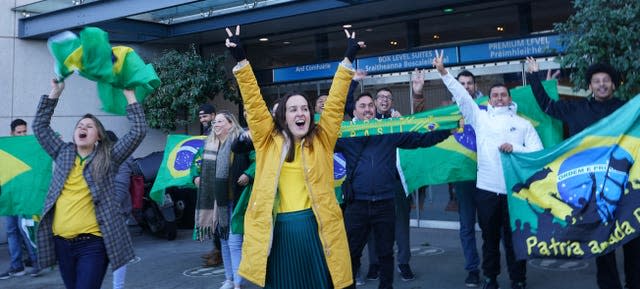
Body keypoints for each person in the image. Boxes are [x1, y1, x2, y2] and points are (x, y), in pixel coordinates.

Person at [225, 25, 364, 289]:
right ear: (283, 116)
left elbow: (334, 104)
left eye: (304, 108)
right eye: (292, 109)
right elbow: (254, 105)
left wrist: (347, 59)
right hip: (278, 234)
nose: (300, 113)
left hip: (316, 230)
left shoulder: (322, 139)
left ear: (310, 114)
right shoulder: (268, 141)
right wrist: (242, 61)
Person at [526, 57, 639, 289]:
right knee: (602, 244)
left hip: (626, 186)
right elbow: (547, 106)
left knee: (634, 241)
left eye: (606, 81)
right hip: (594, 191)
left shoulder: (627, 110)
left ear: (614, 85)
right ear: (590, 86)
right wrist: (534, 77)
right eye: (596, 81)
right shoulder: (578, 109)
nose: (601, 85)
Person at [434, 51, 543, 289]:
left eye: (503, 95)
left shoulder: (522, 123)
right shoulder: (480, 117)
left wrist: (514, 148)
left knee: (514, 239)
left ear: (509, 97)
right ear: (490, 99)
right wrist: (444, 73)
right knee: (490, 239)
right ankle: (490, 278)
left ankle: (518, 279)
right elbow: (462, 96)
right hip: (486, 190)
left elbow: (537, 152)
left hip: (514, 192)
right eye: (495, 95)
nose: (499, 98)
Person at [32, 80, 146, 289]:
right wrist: (54, 93)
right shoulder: (63, 152)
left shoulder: (109, 157)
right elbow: (39, 126)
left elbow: (138, 131)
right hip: (62, 242)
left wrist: (129, 95)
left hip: (93, 243)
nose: (83, 128)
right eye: (80, 126)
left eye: (89, 126)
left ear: (98, 136)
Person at [339, 92, 451, 289]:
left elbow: (419, 139)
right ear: (354, 111)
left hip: (384, 203)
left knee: (385, 253)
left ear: (375, 109)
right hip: (357, 205)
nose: (367, 109)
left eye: (370, 106)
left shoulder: (389, 130)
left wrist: (448, 129)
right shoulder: (346, 135)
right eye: (362, 106)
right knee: (351, 253)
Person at [414, 68, 484, 287]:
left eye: (469, 83)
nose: (466, 87)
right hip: (463, 179)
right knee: (466, 228)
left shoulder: (485, 109)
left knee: (492, 227)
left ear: (475, 86)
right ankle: (473, 269)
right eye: (461, 83)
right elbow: (423, 123)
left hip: (487, 177)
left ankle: (491, 269)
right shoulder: (448, 113)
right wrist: (417, 95)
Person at [192, 112, 247, 289]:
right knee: (223, 240)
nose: (215, 124)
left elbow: (255, 161)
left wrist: (249, 174)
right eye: (214, 122)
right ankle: (229, 279)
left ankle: (238, 282)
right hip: (218, 203)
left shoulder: (241, 142)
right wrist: (195, 177)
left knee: (234, 241)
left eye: (220, 121)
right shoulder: (209, 144)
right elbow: (196, 165)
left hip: (236, 200)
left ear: (231, 124)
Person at [0, 119, 41, 280]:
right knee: (11, 231)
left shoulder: (31, 148)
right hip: (9, 197)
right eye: (19, 132)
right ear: (12, 133)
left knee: (24, 228)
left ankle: (36, 261)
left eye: (25, 131)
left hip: (25, 197)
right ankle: (17, 266)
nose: (23, 134)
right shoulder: (6, 150)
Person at [105, 130, 135, 289]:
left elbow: (121, 189)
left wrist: (108, 209)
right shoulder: (101, 159)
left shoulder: (121, 160)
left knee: (117, 255)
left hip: (117, 214)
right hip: (103, 214)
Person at [197, 102, 223, 268]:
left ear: (213, 115)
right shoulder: (206, 134)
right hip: (209, 186)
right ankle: (217, 250)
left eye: (205, 116)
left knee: (220, 221)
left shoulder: (219, 132)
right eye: (200, 117)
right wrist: (195, 176)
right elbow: (199, 158)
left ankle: (220, 253)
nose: (202, 119)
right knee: (214, 222)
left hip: (221, 184)